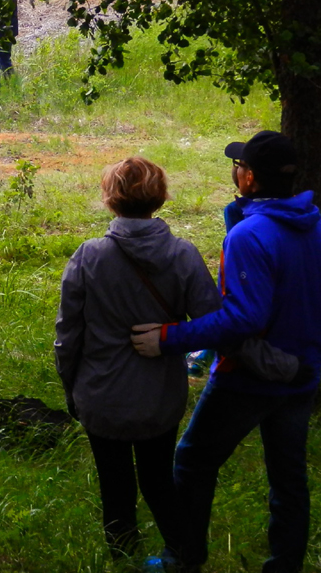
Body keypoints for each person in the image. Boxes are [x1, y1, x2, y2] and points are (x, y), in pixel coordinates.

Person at [132, 131, 321, 573]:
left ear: (250, 178)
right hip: (302, 375)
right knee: (288, 476)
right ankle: (285, 563)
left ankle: (183, 558)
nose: (234, 171)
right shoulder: (312, 222)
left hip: (249, 375)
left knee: (194, 459)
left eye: (238, 166)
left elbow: (243, 319)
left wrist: (167, 338)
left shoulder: (252, 235)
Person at [55, 157, 221, 562]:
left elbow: (67, 335)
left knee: (115, 487)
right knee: (159, 481)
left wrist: (71, 387)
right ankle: (185, 555)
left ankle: (124, 559)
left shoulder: (88, 256)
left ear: (110, 200)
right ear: (161, 198)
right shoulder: (183, 255)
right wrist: (174, 340)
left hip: (100, 394)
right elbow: (214, 323)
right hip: (159, 397)